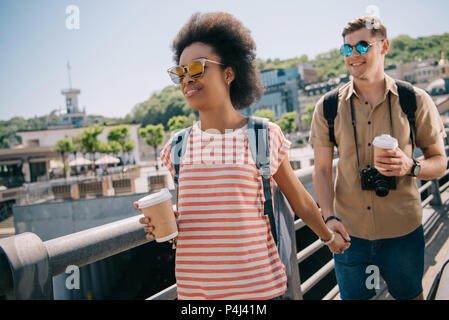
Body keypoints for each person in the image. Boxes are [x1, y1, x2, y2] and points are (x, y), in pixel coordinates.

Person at [134, 12, 349, 300]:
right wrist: (169, 219)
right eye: (180, 72)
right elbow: (190, 208)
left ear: (229, 72)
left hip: (258, 290)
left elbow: (300, 200)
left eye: (197, 68)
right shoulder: (177, 146)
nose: (187, 79)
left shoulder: (263, 135)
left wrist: (328, 237)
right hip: (196, 295)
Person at [310, 16, 447, 300]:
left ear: (384, 46)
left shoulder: (415, 100)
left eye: (362, 45)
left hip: (403, 231)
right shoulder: (327, 107)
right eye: (347, 49)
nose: (354, 55)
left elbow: (440, 162)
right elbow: (322, 170)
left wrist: (412, 166)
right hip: (350, 235)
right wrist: (329, 219)